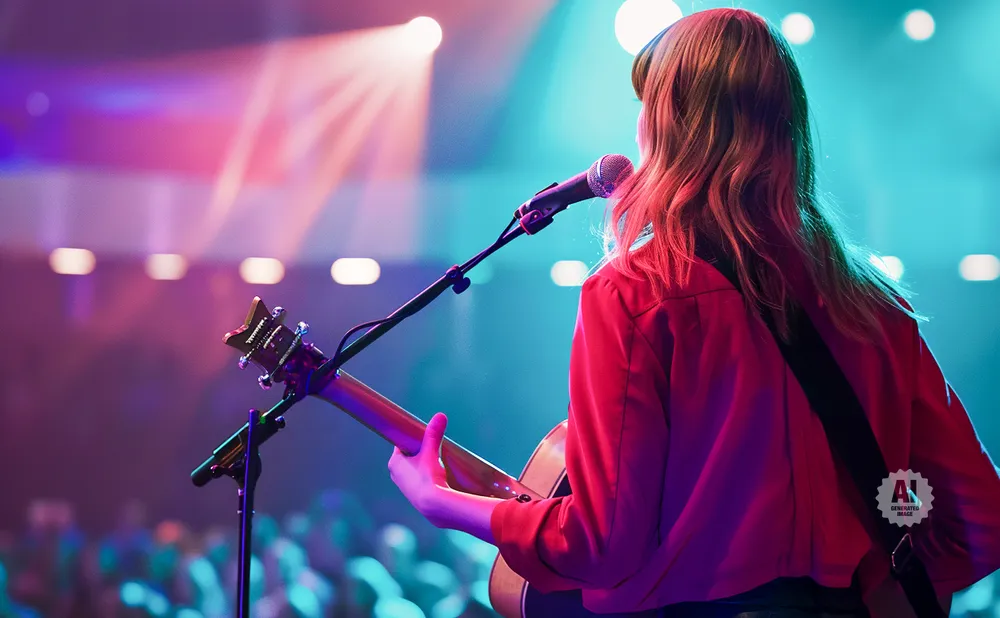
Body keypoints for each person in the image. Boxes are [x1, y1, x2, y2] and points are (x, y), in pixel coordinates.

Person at [388, 8, 1000, 617]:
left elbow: (601, 543)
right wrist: (877, 590)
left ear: (671, 125)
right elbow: (983, 518)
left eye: (646, 105)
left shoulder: (634, 292)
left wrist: (445, 503)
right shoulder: (872, 304)